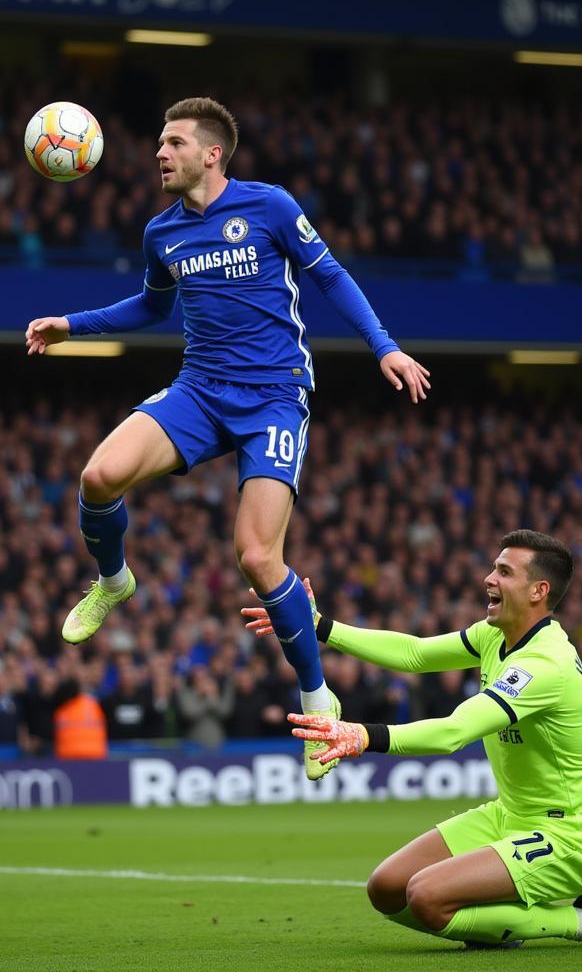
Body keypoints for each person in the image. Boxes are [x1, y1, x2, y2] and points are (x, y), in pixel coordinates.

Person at [26, 97, 429, 780]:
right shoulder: (162, 232)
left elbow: (330, 275)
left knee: (257, 558)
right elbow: (153, 307)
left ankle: (315, 698)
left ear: (211, 154)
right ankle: (113, 580)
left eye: (173, 142)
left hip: (274, 398)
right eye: (159, 141)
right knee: (97, 477)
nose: (160, 153)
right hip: (200, 391)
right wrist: (73, 323)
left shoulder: (269, 207)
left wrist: (383, 347)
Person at [242, 530, 582, 948]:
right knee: (386, 888)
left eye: (504, 572)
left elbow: (456, 731)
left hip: (575, 835)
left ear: (538, 591)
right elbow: (415, 655)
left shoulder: (545, 664)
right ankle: (500, 926)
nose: (489, 579)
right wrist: (320, 626)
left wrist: (364, 735)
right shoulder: (497, 634)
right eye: (494, 567)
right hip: (512, 816)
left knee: (426, 897)